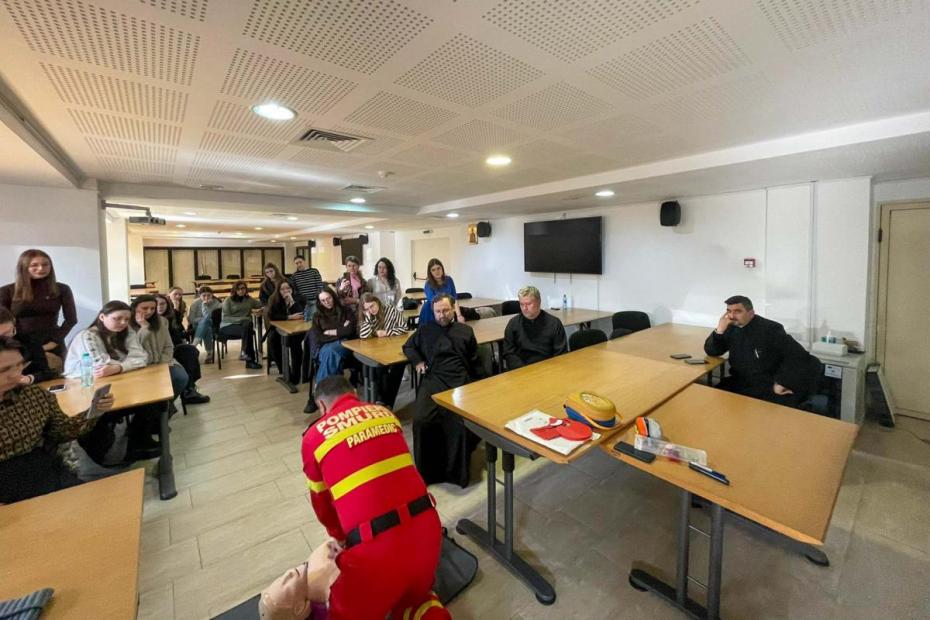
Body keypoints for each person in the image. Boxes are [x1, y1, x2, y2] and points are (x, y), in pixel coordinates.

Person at [301, 375, 449, 620]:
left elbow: (323, 507)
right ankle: (421, 603)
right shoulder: (385, 414)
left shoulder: (313, 438)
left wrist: (341, 539)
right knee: (415, 597)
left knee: (343, 610)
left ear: (322, 406)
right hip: (428, 535)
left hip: (374, 554)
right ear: (354, 394)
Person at [0, 336, 115, 503]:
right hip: (6, 485)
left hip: (42, 469)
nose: (15, 375)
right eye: (4, 370)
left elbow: (61, 431)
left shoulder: (33, 395)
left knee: (93, 504)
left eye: (18, 365)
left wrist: (94, 411)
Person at [403, 294, 484, 487]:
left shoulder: (465, 331)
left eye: (445, 310)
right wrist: (418, 361)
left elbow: (475, 362)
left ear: (453, 309)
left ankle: (456, 474)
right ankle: (427, 474)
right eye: (438, 311)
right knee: (422, 420)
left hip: (459, 381)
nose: (441, 315)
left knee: (459, 422)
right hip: (434, 378)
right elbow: (408, 347)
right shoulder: (425, 330)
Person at [64, 301, 160, 457]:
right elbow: (101, 366)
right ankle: (105, 454)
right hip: (85, 387)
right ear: (102, 317)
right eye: (117, 318)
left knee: (153, 398)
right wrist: (125, 365)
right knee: (103, 413)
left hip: (118, 380)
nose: (123, 323)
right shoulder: (87, 336)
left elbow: (142, 357)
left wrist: (119, 368)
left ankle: (138, 442)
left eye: (126, 319)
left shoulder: (127, 332)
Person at [704, 295, 822, 408]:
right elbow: (712, 351)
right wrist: (719, 331)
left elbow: (799, 357)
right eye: (729, 311)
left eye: (737, 311)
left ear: (751, 313)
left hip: (766, 384)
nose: (731, 316)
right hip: (739, 381)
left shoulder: (770, 329)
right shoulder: (730, 327)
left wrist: (782, 382)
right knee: (714, 402)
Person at [0, 249, 77, 361]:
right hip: (18, 346)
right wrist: (13, 344)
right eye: (34, 265)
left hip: (52, 344)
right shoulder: (6, 291)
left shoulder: (62, 289)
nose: (41, 268)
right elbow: (2, 322)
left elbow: (71, 319)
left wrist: (54, 341)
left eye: (45, 264)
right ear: (24, 267)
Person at [131, 295, 209, 406]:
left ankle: (172, 402)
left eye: (152, 308)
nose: (149, 311)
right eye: (145, 308)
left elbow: (169, 345)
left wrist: (161, 361)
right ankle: (162, 406)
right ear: (135, 308)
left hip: (164, 359)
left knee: (182, 370)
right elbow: (135, 349)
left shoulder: (162, 321)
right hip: (141, 363)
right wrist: (145, 328)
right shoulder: (128, 324)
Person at [304, 287, 356, 414]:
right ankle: (336, 398)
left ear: (333, 296)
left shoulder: (346, 311)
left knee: (331, 352)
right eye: (323, 300)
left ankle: (317, 395)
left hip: (346, 345)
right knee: (331, 354)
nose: (327, 302)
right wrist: (340, 331)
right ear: (319, 302)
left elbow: (350, 331)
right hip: (325, 347)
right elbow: (319, 337)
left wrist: (330, 332)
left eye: (329, 298)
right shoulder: (317, 316)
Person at [358, 293, 407, 408]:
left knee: (397, 368)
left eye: (372, 306)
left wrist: (387, 332)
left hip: (394, 348)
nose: (371, 310)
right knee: (379, 370)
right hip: (378, 351)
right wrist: (368, 318)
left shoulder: (390, 310)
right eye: (367, 308)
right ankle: (382, 401)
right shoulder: (368, 315)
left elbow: (404, 328)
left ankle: (386, 403)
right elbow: (363, 335)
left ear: (377, 302)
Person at [501, 285, 568, 370]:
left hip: (548, 368)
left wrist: (549, 369)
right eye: (521, 304)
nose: (524, 308)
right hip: (521, 369)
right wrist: (523, 370)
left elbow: (560, 353)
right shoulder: (513, 324)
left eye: (528, 304)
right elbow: (509, 353)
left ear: (539, 302)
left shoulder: (554, 323)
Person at [0, 307, 57, 384]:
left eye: (9, 331)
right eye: (2, 336)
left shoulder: (28, 340)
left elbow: (46, 372)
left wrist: (29, 378)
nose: (7, 338)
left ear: (14, 321)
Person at [266, 280, 306, 385]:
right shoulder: (274, 299)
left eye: (288, 288)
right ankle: (285, 370)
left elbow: (301, 314)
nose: (286, 291)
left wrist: (292, 301)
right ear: (278, 290)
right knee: (272, 341)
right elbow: (272, 316)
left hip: (296, 328)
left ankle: (296, 375)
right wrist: (289, 317)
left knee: (295, 343)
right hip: (279, 328)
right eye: (282, 289)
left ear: (292, 289)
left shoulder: (299, 298)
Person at [219, 280, 263, 369]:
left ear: (246, 289)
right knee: (248, 328)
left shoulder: (249, 300)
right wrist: (243, 319)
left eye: (243, 288)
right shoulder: (228, 300)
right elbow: (226, 318)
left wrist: (263, 308)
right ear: (234, 290)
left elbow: (260, 304)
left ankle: (244, 353)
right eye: (238, 289)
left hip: (244, 326)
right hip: (228, 325)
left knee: (247, 326)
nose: (241, 291)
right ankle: (250, 361)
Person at [417, 258, 464, 327]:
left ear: (442, 268)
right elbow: (435, 304)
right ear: (430, 272)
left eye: (438, 268)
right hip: (432, 312)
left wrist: (459, 315)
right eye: (433, 270)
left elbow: (454, 299)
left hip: (446, 310)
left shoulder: (449, 280)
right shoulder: (428, 284)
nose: (437, 272)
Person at [188, 286, 222, 363]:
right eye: (204, 296)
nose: (206, 297)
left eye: (209, 295)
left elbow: (210, 317)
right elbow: (191, 319)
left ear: (212, 295)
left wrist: (204, 306)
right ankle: (209, 353)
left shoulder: (216, 303)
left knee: (206, 322)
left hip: (213, 325)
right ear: (199, 296)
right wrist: (202, 320)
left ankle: (193, 345)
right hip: (197, 325)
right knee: (207, 327)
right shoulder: (195, 303)